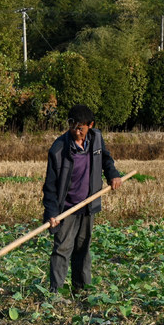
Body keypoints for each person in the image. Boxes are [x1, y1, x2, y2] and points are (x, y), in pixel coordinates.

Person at [42, 104, 122, 295]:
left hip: (88, 205)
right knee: (62, 249)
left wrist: (112, 174)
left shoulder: (96, 139)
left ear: (90, 125)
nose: (76, 132)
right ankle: (56, 293)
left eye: (81, 128)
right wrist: (52, 212)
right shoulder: (59, 149)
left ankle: (82, 290)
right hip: (66, 208)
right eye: (73, 127)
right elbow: (50, 185)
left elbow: (105, 159)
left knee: (83, 248)